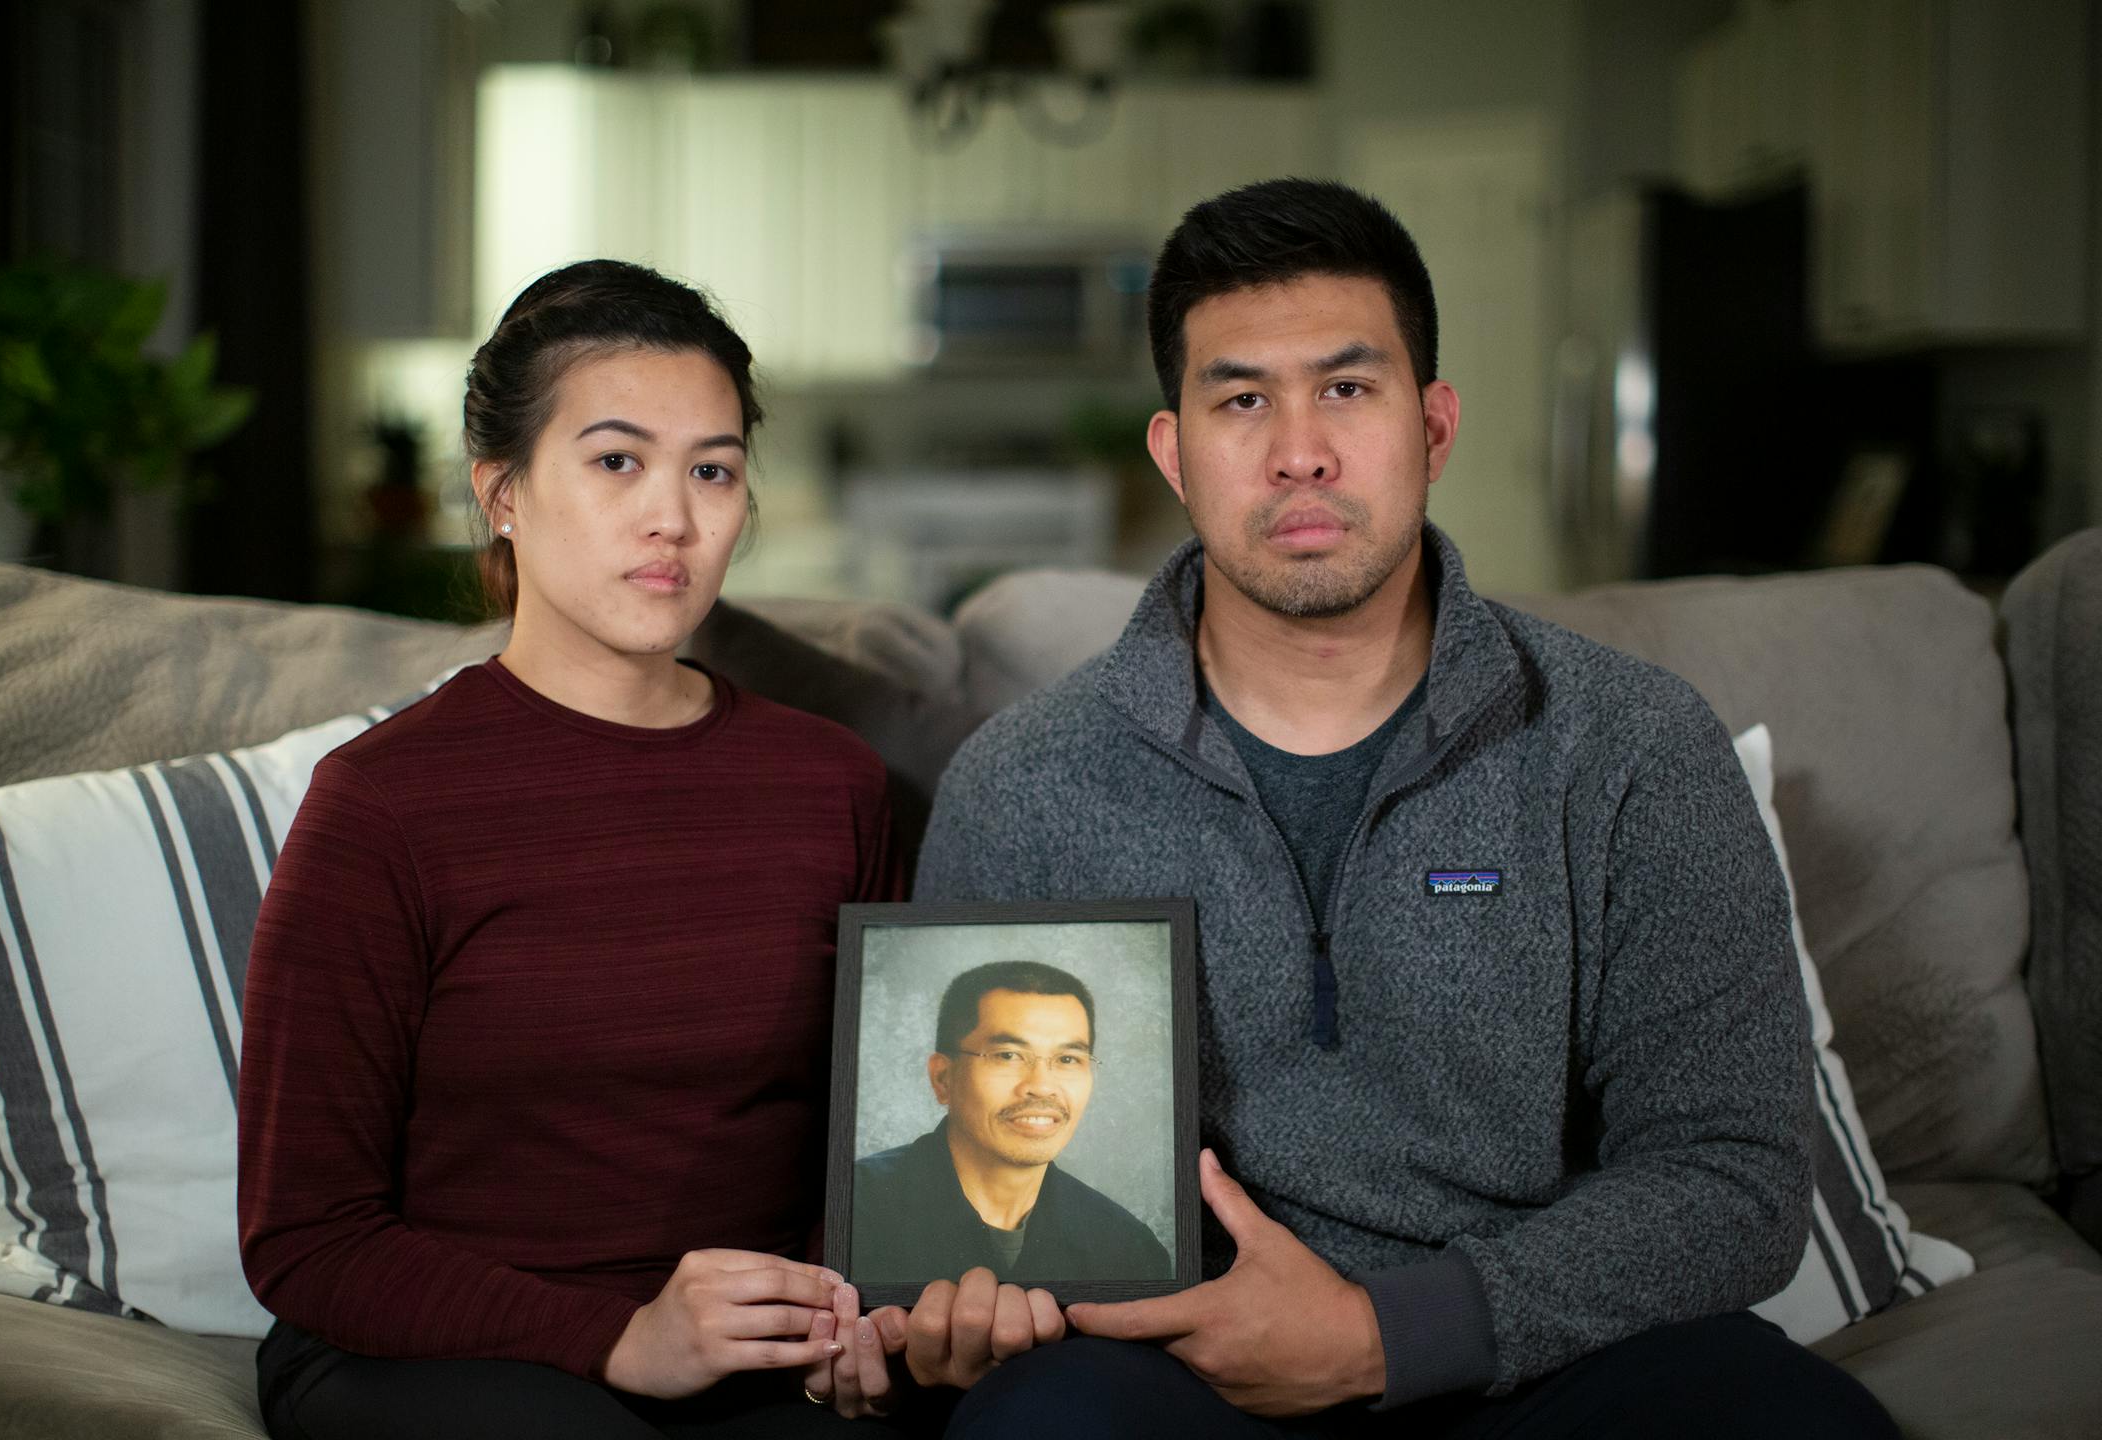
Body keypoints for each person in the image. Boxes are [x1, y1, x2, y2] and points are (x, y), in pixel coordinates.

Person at [910, 180, 1902, 1437]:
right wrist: (948, 1319)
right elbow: (960, 1201)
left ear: (1432, 427)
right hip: (1174, 1373)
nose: (1300, 449)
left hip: (1530, 1355)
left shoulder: (1633, 744)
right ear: (1174, 453)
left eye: (1347, 387)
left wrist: (1390, 1335)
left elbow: (1737, 1179)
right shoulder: (1023, 783)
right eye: (1241, 399)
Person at [237, 260, 920, 1437]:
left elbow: (883, 1142)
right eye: (617, 461)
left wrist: (848, 1320)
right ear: (501, 491)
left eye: (713, 469)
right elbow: (306, 1237)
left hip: (747, 1351)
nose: (675, 517)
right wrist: (616, 1339)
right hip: (434, 1353)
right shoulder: (381, 806)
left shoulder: (835, 785)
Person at [852, 961, 1173, 1284]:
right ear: (943, 1078)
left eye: (1067, 1059)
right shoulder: (853, 1210)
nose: (1042, 1085)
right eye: (1008, 1055)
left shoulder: (1128, 1248)